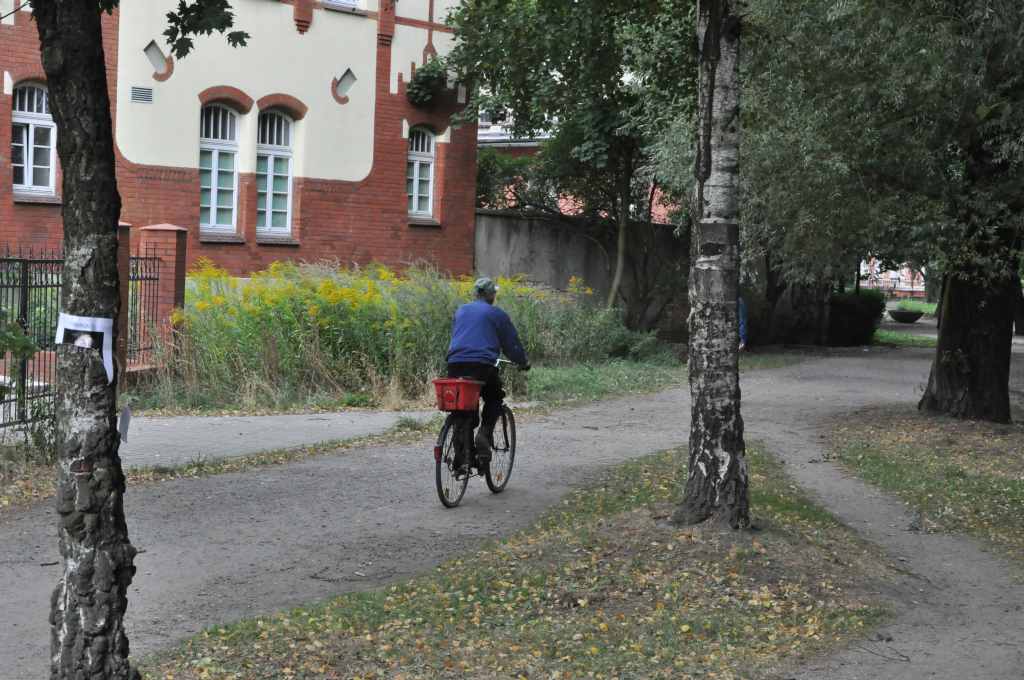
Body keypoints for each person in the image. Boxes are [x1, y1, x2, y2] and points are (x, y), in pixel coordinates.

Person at [446, 277, 529, 472]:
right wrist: (522, 362)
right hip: (482, 365)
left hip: (455, 364)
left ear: (476, 293)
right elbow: (512, 345)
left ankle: (462, 457)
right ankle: (484, 434)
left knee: (463, 408)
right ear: (491, 295)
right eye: (495, 293)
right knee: (494, 396)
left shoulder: (461, 311)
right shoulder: (497, 314)